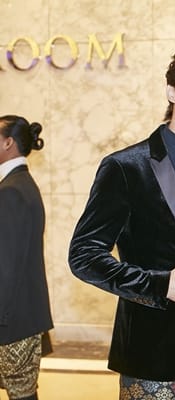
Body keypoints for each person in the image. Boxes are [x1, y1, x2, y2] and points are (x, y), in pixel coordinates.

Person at [68, 41, 175, 399]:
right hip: (151, 346)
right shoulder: (126, 167)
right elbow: (83, 256)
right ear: (172, 91)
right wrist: (161, 285)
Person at [0, 115, 52, 400]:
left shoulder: (11, 191)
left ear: (8, 143)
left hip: (12, 321)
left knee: (22, 395)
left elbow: (6, 266)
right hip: (19, 316)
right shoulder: (19, 184)